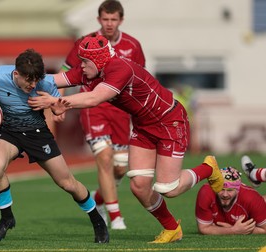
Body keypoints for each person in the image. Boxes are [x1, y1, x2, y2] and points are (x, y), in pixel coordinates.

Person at [27, 34, 224, 243]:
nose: (81, 66)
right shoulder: (91, 70)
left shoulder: (120, 68)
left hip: (169, 122)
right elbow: (55, 79)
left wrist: (57, 101)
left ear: (98, 60)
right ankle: (172, 228)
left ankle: (209, 169)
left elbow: (94, 98)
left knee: (169, 188)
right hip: (144, 126)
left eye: (84, 61)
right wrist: (17, 77)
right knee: (139, 185)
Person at [0, 49, 109, 243]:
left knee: (67, 183)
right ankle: (7, 218)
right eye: (28, 80)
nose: (32, 85)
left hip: (38, 134)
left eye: (35, 80)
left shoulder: (45, 83)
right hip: (8, 132)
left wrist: (53, 106)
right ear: (16, 74)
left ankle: (98, 221)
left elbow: (58, 110)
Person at [60, 0, 146, 230]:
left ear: (120, 20)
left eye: (113, 19)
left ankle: (99, 199)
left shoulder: (132, 46)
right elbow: (67, 72)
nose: (109, 23)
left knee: (119, 168)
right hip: (92, 107)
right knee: (104, 158)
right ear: (99, 20)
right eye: (105, 19)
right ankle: (115, 217)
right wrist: (57, 102)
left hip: (120, 111)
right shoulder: (84, 42)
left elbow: (139, 78)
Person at [195, 166, 266, 235]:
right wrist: (232, 230)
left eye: (230, 190)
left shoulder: (251, 198)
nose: (225, 194)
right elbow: (203, 228)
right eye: (221, 189)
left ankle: (258, 174)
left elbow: (264, 229)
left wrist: (242, 230)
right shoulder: (206, 193)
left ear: (237, 190)